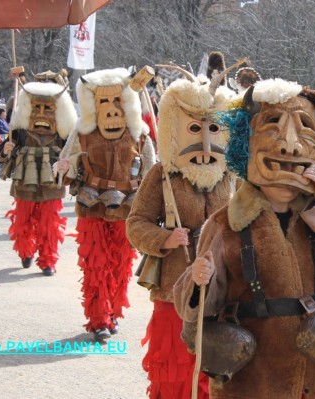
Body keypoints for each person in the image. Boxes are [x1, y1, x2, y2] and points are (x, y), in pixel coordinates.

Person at [174, 78, 315, 399]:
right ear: (246, 146)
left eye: (304, 130)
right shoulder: (225, 224)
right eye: (273, 128)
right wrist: (199, 280)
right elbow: (195, 308)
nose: (289, 146)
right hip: (255, 379)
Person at [126, 55, 239, 399]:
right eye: (194, 129)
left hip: (226, 291)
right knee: (175, 372)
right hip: (173, 290)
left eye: (213, 129)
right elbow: (135, 225)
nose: (205, 144)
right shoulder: (161, 175)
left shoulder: (233, 176)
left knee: (219, 372)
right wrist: (164, 237)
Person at [57, 67, 156, 341]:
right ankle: (98, 319)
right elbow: (64, 165)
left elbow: (152, 170)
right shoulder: (82, 133)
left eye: (116, 102)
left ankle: (113, 312)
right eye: (103, 102)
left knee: (121, 264)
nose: (111, 110)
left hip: (127, 209)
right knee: (96, 265)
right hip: (92, 207)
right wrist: (63, 167)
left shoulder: (140, 134)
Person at [0, 80, 77, 276]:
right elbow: (2, 151)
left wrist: (67, 164)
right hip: (24, 181)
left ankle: (47, 260)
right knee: (23, 219)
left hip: (51, 185)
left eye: (48, 108)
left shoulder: (64, 134)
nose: (42, 113)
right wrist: (5, 149)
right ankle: (25, 251)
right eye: (37, 107)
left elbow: (74, 154)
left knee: (49, 223)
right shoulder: (19, 131)